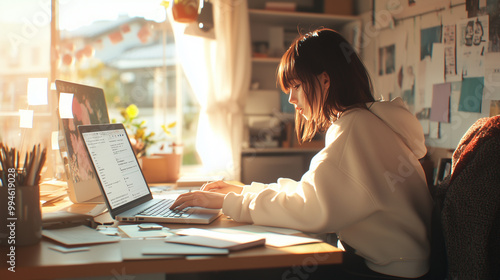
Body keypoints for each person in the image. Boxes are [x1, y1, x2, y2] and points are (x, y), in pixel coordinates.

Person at [171, 28, 433, 279]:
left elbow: (310, 208)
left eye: (296, 86)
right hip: (397, 265)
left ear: (325, 80)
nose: (291, 100)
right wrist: (241, 192)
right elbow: (312, 191)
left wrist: (227, 203)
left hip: (383, 271)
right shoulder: (368, 122)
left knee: (236, 271)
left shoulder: (354, 128)